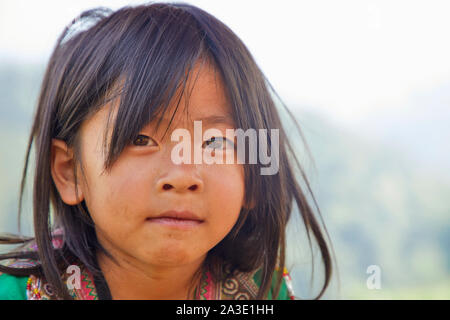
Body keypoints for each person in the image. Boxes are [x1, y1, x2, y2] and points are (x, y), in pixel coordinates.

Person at [0, 2, 333, 300]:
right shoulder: (15, 294)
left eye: (214, 143)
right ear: (69, 171)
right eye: (141, 140)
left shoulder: (261, 292)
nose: (183, 176)